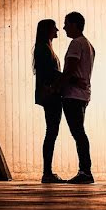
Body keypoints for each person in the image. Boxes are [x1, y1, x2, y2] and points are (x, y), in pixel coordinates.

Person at [55, 11, 95, 184]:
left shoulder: (76, 44)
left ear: (74, 24)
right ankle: (85, 170)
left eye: (66, 23)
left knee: (78, 132)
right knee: (79, 132)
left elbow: (69, 70)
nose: (63, 27)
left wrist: (56, 87)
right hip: (83, 95)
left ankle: (85, 172)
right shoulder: (89, 45)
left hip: (73, 95)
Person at [33, 19, 65, 183]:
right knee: (51, 132)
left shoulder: (44, 48)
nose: (58, 30)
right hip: (51, 95)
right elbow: (50, 73)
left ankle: (47, 172)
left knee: (51, 132)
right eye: (54, 28)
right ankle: (47, 173)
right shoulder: (44, 49)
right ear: (47, 30)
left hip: (49, 95)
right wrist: (71, 78)